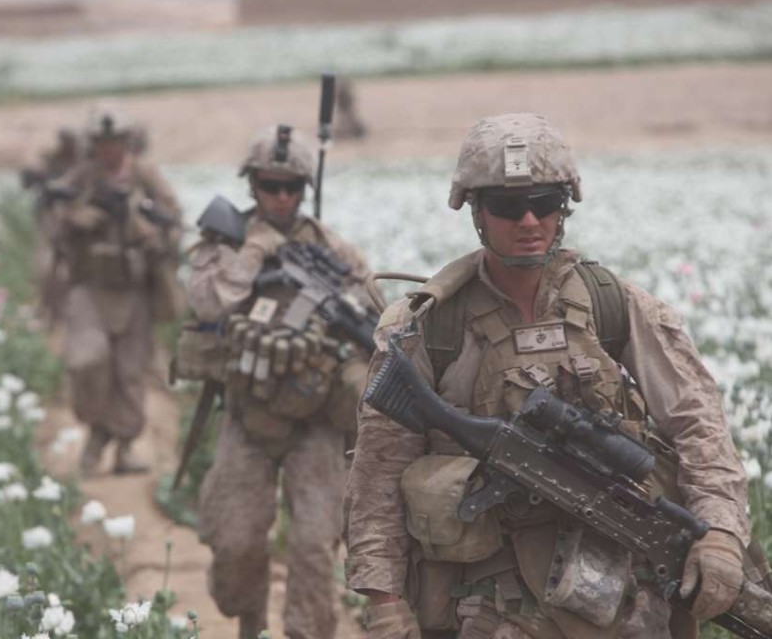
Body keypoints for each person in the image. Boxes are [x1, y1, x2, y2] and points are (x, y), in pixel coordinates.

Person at [344, 113, 750, 639]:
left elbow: (699, 425)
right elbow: (377, 475)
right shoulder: (428, 327)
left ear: (565, 210)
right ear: (477, 213)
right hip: (486, 602)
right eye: (508, 207)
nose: (529, 221)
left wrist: (718, 534)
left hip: (621, 595)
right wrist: (385, 602)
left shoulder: (614, 306)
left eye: (546, 203)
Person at [187, 124, 375, 639]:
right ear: (253, 186)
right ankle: (248, 616)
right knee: (236, 538)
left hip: (316, 418)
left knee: (315, 544)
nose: (282, 197)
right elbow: (204, 303)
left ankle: (306, 632)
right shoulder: (227, 240)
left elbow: (372, 317)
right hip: (249, 415)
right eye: (271, 186)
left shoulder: (332, 249)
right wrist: (254, 253)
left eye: (292, 187)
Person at [53, 105, 183, 476]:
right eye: (101, 142)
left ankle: (119, 444)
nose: (108, 150)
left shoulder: (145, 178)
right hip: (90, 287)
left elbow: (173, 222)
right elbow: (53, 215)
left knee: (129, 371)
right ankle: (96, 430)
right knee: (86, 360)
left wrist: (145, 228)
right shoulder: (82, 177)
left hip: (134, 288)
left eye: (115, 142)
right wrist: (74, 219)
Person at [21, 127, 82, 328]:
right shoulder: (50, 160)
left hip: (76, 224)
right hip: (51, 222)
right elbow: (28, 178)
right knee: (47, 268)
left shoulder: (85, 164)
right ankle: (50, 310)